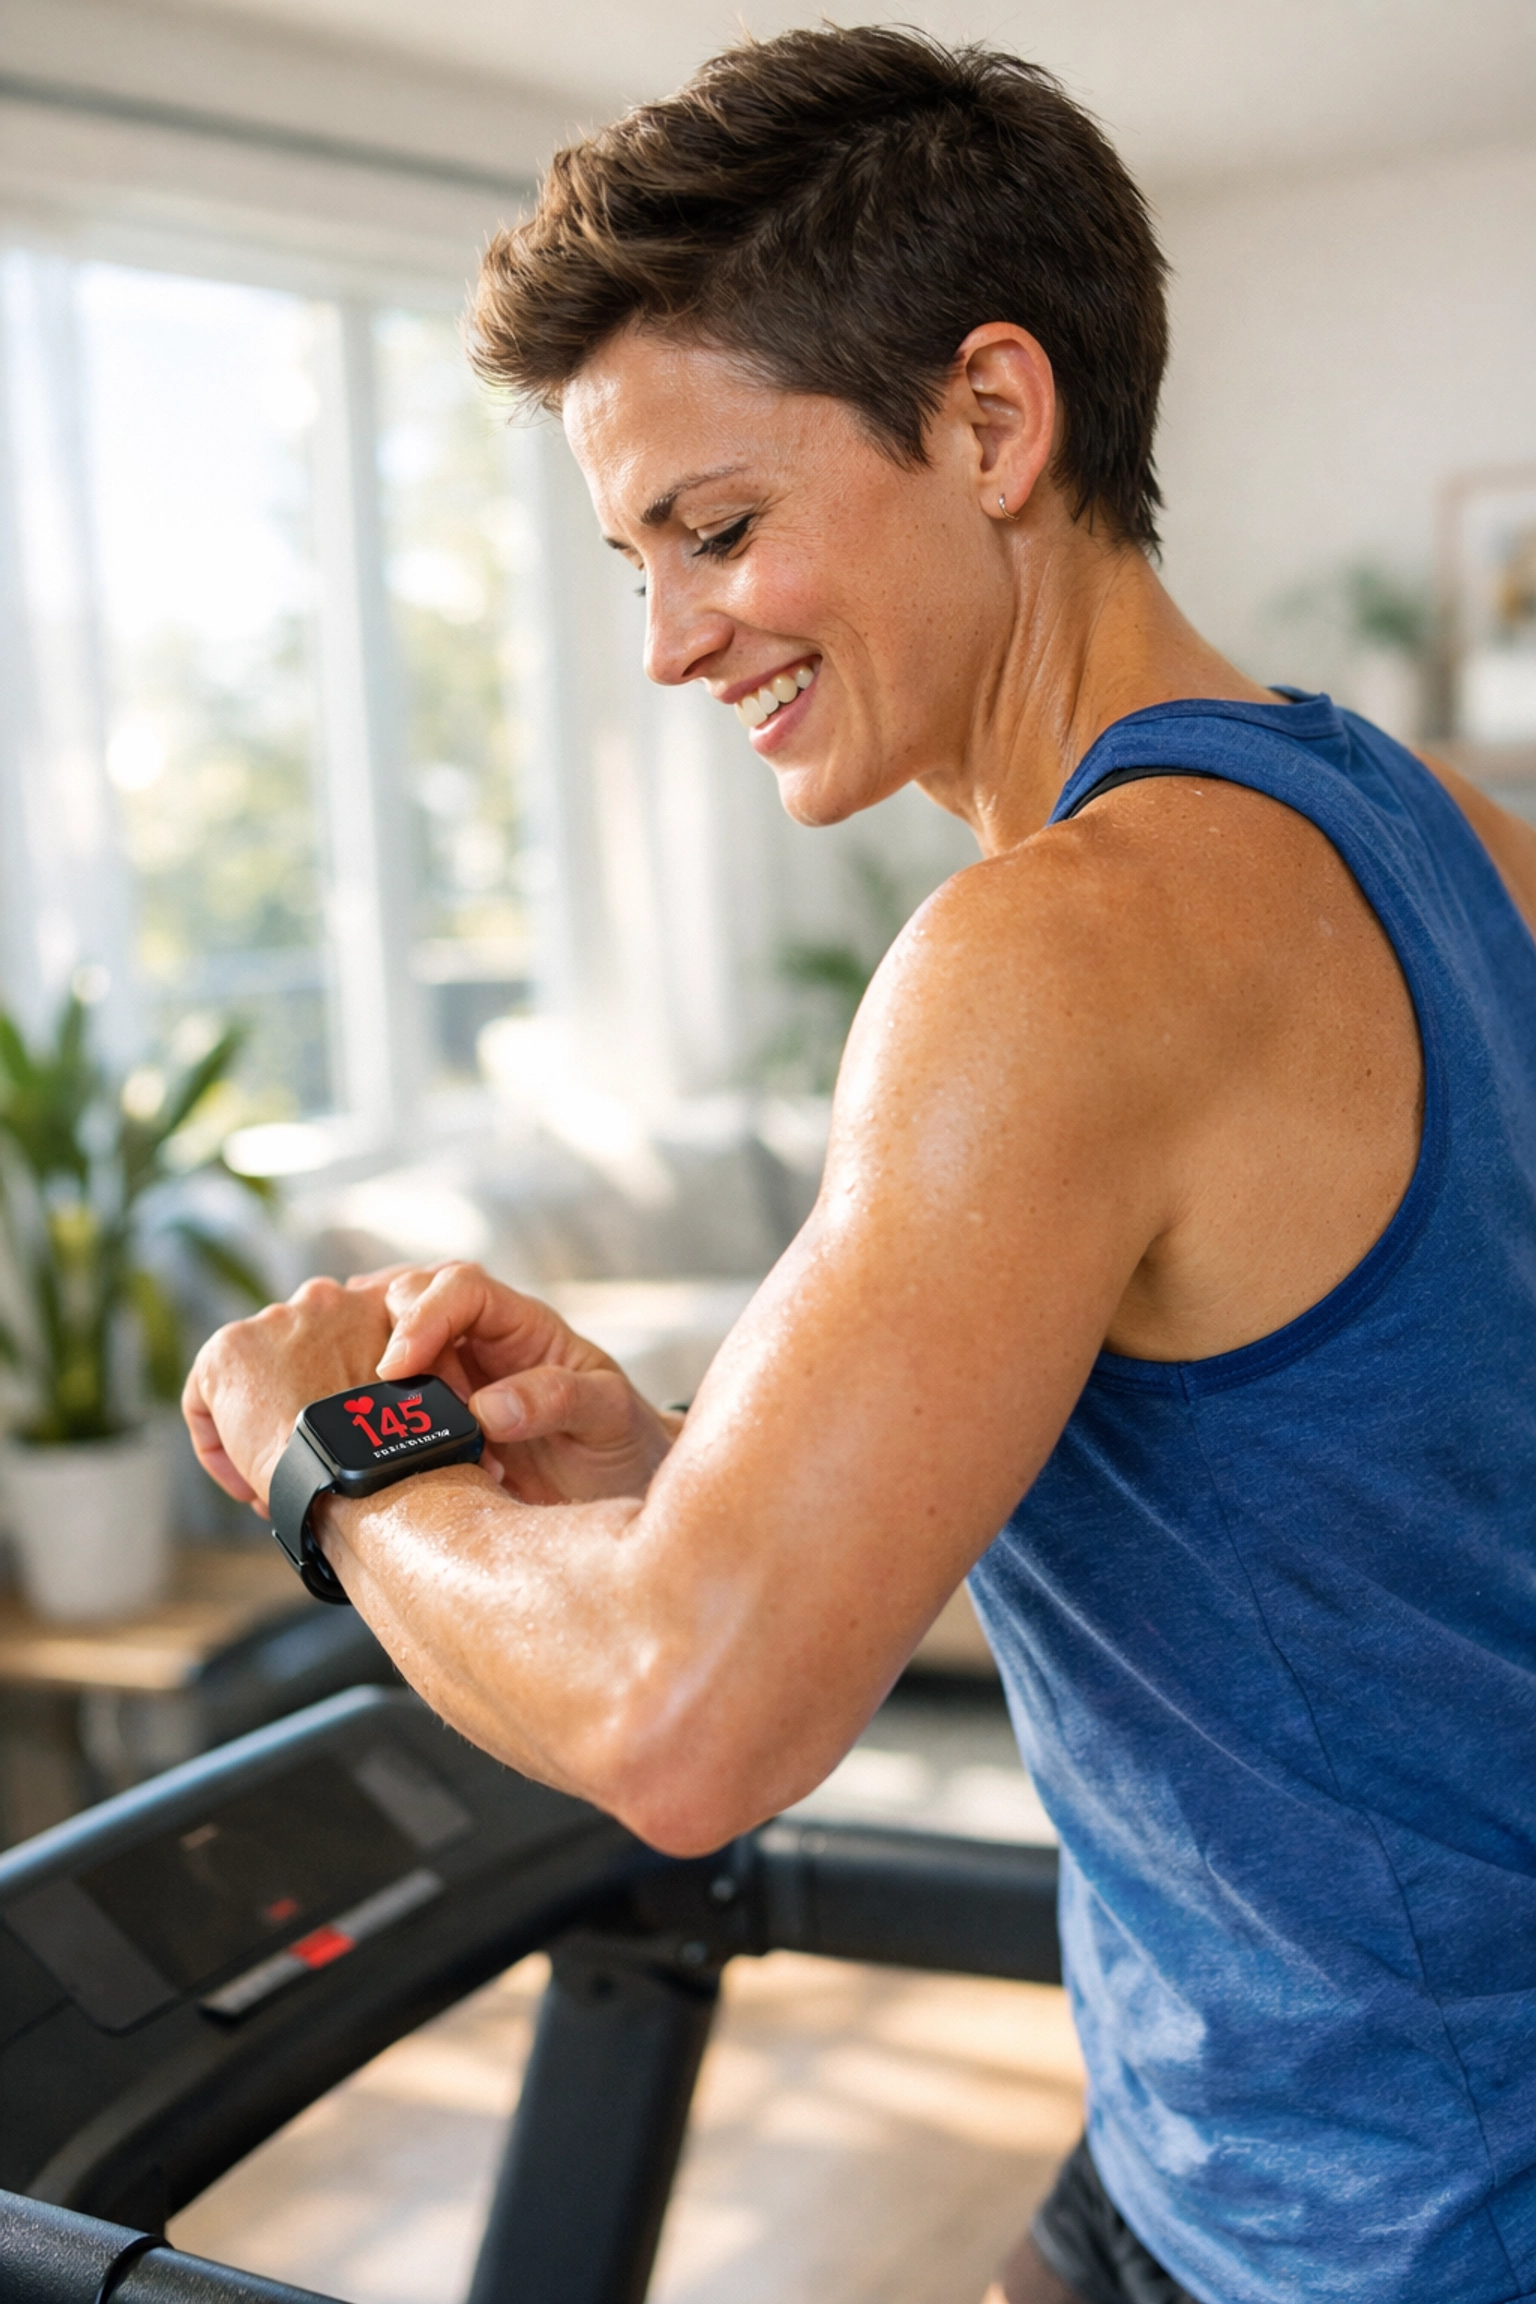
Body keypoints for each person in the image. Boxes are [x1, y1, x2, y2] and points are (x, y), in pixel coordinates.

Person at [184, 27, 1536, 2304]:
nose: (668, 640)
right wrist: (681, 1468)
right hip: (1256, 2117)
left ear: (996, 421)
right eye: (633, 559)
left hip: (1377, 2222)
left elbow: (684, 1726)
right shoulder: (1437, 826)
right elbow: (1337, 1473)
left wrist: (337, 1453)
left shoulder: (1052, 956)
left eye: (718, 528)